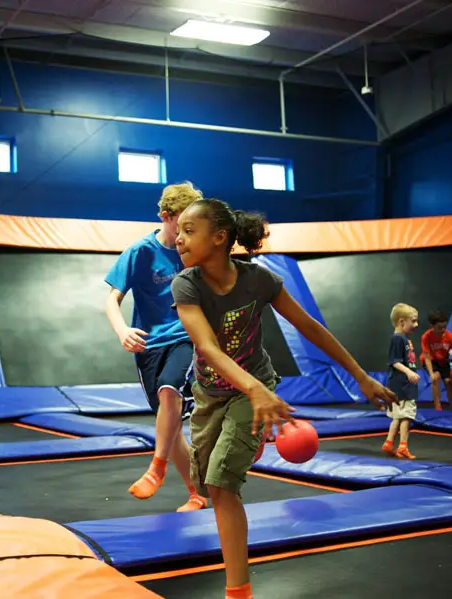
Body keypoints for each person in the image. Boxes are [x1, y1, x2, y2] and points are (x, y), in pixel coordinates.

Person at [170, 198, 397, 599]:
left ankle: (237, 591)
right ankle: (248, 440)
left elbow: (310, 328)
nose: (178, 238)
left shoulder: (259, 280)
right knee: (204, 480)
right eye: (179, 231)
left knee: (221, 484)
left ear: (220, 238)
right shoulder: (186, 284)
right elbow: (207, 347)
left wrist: (360, 376)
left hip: (254, 385)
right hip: (209, 394)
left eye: (190, 231)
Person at [104, 181, 208, 513]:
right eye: (183, 223)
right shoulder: (141, 252)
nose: (187, 232)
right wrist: (122, 330)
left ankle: (156, 467)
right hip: (149, 345)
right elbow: (112, 299)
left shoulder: (194, 251)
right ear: (166, 216)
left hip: (184, 338)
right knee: (171, 424)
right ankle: (197, 493)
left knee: (170, 391)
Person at [384, 304, 420, 459]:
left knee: (397, 415)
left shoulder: (404, 338)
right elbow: (394, 361)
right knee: (407, 415)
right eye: (413, 321)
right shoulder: (398, 339)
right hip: (402, 384)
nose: (416, 325)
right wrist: (409, 372)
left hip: (402, 383)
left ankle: (389, 442)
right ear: (401, 322)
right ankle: (403, 446)